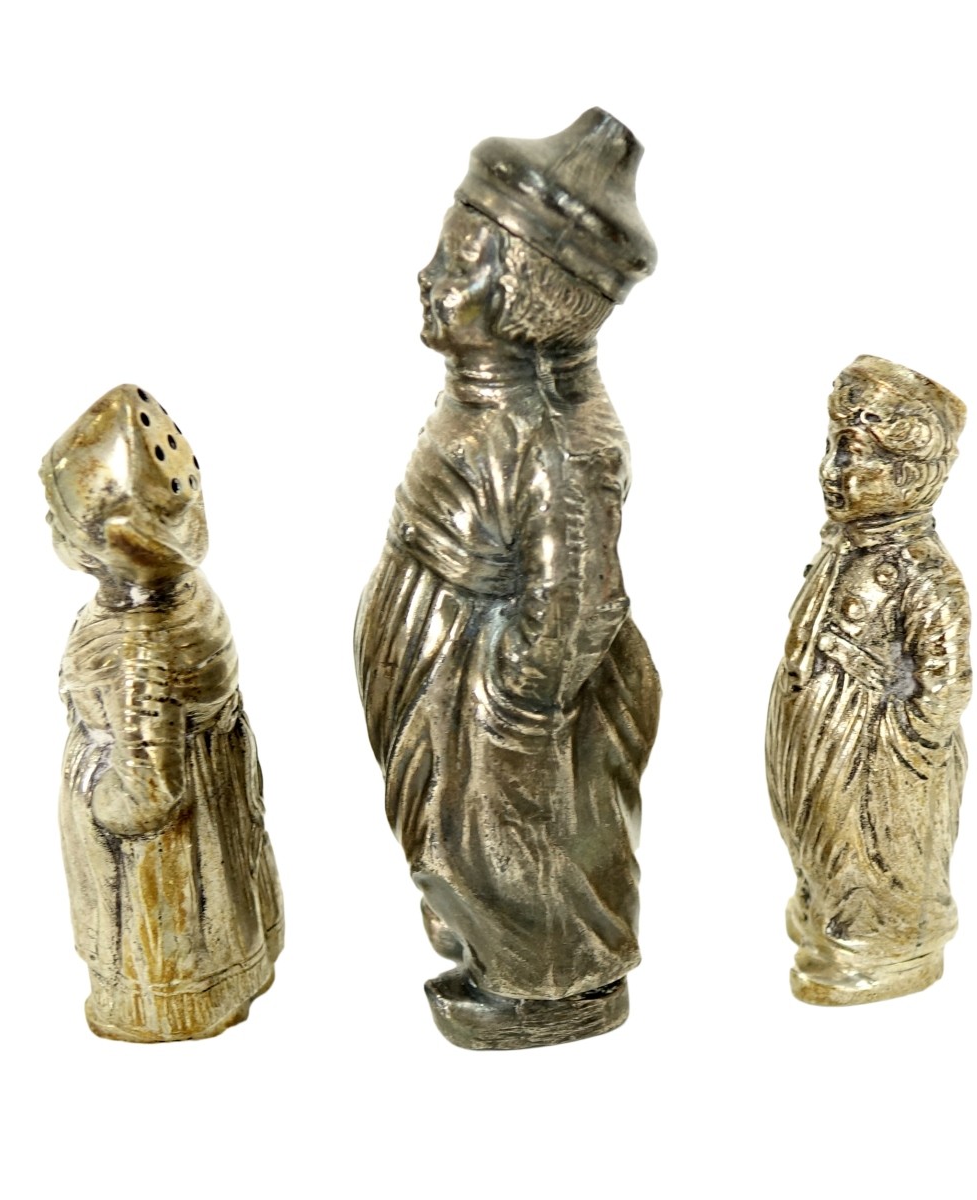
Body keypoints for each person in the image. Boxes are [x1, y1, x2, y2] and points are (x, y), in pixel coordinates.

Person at [355, 110, 660, 1048]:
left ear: (526, 293)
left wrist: (510, 719)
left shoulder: (554, 437)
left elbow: (581, 606)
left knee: (509, 850)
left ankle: (546, 980)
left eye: (458, 262)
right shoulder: (489, 404)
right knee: (461, 850)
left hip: (498, 715)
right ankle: (495, 942)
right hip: (449, 678)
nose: (429, 277)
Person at [42, 385, 282, 1040]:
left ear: (109, 542)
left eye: (57, 517)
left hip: (165, 859)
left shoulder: (138, 647)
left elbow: (149, 794)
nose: (49, 525)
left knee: (166, 941)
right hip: (214, 804)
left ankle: (166, 1006)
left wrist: (95, 808)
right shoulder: (183, 595)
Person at [766, 356, 971, 1004]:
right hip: (815, 740)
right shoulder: (841, 548)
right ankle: (824, 920)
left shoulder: (922, 571)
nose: (834, 472)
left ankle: (881, 945)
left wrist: (893, 749)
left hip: (874, 755)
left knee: (868, 852)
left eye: (855, 457)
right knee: (812, 840)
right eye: (832, 451)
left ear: (908, 475)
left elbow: (945, 686)